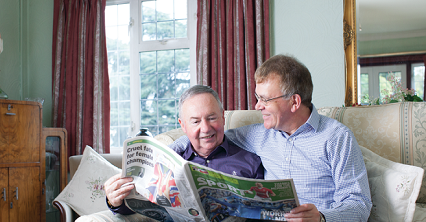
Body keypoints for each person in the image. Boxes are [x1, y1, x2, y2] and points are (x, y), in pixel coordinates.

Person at [170, 54, 372, 222]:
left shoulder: (337, 138)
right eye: (258, 98)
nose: (258, 106)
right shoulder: (260, 134)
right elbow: (207, 136)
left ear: (294, 102)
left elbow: (360, 204)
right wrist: (166, 153)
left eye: (265, 99)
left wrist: (321, 217)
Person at [104, 85, 264, 216]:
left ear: (222, 117)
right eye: (195, 121)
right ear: (183, 125)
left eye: (212, 118)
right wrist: (114, 201)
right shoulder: (167, 161)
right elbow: (142, 208)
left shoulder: (250, 161)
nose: (206, 128)